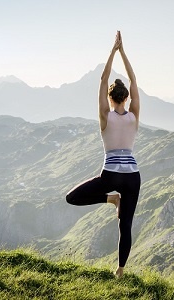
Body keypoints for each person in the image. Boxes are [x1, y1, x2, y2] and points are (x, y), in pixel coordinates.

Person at [66, 31, 140, 278]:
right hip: (132, 177)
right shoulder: (133, 117)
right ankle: (120, 271)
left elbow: (103, 77)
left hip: (110, 178)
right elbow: (133, 79)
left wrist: (113, 50)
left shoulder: (104, 116)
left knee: (72, 197)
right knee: (125, 226)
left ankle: (111, 200)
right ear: (127, 98)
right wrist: (123, 52)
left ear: (110, 98)